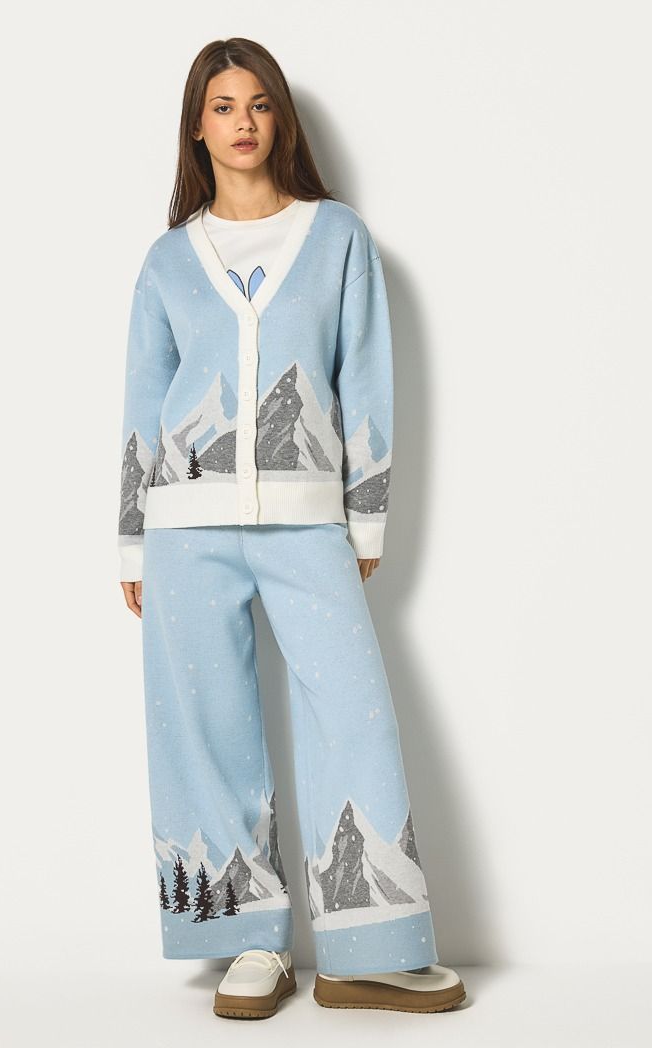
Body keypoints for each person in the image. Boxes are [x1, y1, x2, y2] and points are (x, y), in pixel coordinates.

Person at [117, 37, 466, 1019]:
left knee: (354, 714)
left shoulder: (337, 236)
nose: (243, 122)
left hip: (309, 522)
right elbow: (143, 403)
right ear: (197, 127)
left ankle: (368, 949)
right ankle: (249, 941)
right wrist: (132, 539)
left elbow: (367, 379)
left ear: (281, 120)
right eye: (223, 106)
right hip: (185, 528)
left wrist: (366, 520)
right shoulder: (168, 261)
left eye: (260, 104)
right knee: (205, 727)